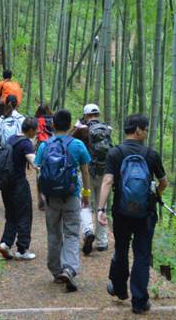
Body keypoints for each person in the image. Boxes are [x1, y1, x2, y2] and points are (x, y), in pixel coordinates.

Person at [97, 114, 168, 314]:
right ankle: (139, 301)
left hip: (121, 212)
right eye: (145, 129)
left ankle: (119, 289)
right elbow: (164, 182)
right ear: (138, 130)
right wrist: (155, 195)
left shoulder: (115, 153)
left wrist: (100, 209)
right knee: (142, 254)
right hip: (145, 213)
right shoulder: (151, 155)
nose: (146, 132)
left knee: (121, 249)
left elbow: (107, 181)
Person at [35, 109, 92, 293]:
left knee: (53, 234)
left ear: (53, 124)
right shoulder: (77, 145)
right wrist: (86, 193)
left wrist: (41, 196)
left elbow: (39, 171)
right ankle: (69, 268)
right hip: (71, 196)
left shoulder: (44, 145)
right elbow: (85, 171)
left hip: (51, 197)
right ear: (69, 126)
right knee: (72, 234)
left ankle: (55, 270)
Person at [73, 104, 113, 255]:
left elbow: (69, 140)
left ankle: (88, 230)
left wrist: (77, 126)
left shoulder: (82, 130)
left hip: (87, 172)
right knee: (101, 206)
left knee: (85, 203)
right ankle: (102, 241)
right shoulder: (108, 129)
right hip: (105, 174)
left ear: (85, 115)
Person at [0, 117, 40, 261]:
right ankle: (22, 249)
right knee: (24, 215)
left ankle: (5, 243)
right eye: (36, 130)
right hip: (19, 184)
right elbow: (34, 163)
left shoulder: (11, 139)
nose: (37, 132)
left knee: (11, 215)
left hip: (5, 184)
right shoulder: (26, 143)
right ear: (30, 130)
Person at [34, 104, 54, 211]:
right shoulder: (54, 119)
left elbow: (35, 134)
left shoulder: (38, 120)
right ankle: (51, 198)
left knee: (40, 173)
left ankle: (41, 201)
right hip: (54, 147)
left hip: (42, 147)